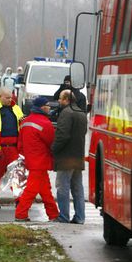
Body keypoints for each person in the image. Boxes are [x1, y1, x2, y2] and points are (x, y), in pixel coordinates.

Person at [15, 97, 60, 222]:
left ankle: (54, 215)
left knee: (45, 191)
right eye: (47, 105)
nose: (49, 107)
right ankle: (20, 214)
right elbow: (52, 142)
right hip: (41, 161)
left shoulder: (25, 122)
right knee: (31, 190)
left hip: (31, 160)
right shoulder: (45, 123)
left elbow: (20, 144)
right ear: (42, 107)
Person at [51, 90, 88, 224]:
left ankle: (64, 217)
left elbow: (63, 135)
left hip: (66, 157)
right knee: (77, 187)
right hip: (78, 156)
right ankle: (80, 217)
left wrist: (53, 149)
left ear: (66, 99)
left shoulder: (66, 113)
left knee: (63, 187)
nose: (59, 101)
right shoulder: (81, 113)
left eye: (60, 99)